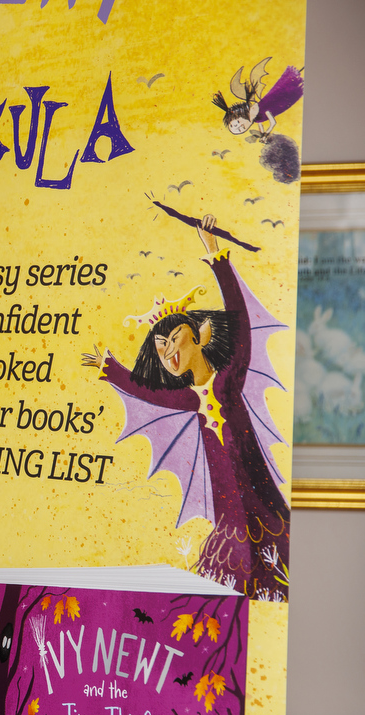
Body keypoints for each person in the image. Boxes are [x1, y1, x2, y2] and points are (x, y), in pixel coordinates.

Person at [82, 215, 290, 601]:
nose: (171, 354)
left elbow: (241, 323)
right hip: (229, 520)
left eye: (176, 340)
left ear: (199, 336)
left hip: (263, 501)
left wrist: (216, 255)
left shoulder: (228, 378)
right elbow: (146, 392)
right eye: (162, 352)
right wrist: (111, 369)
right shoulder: (185, 399)